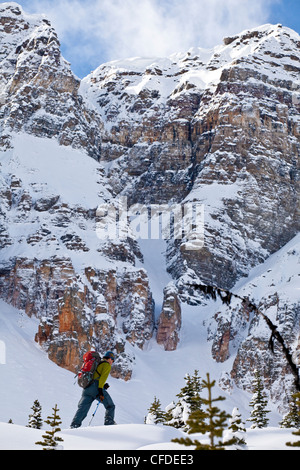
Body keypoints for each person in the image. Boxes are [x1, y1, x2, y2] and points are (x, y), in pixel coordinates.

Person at [70, 351, 116, 428]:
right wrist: (101, 390)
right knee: (110, 406)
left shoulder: (97, 363)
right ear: (110, 359)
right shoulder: (106, 365)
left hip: (87, 388)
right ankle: (109, 423)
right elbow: (102, 378)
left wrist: (103, 386)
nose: (112, 362)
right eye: (112, 360)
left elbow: (95, 376)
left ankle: (74, 425)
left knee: (83, 409)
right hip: (96, 388)